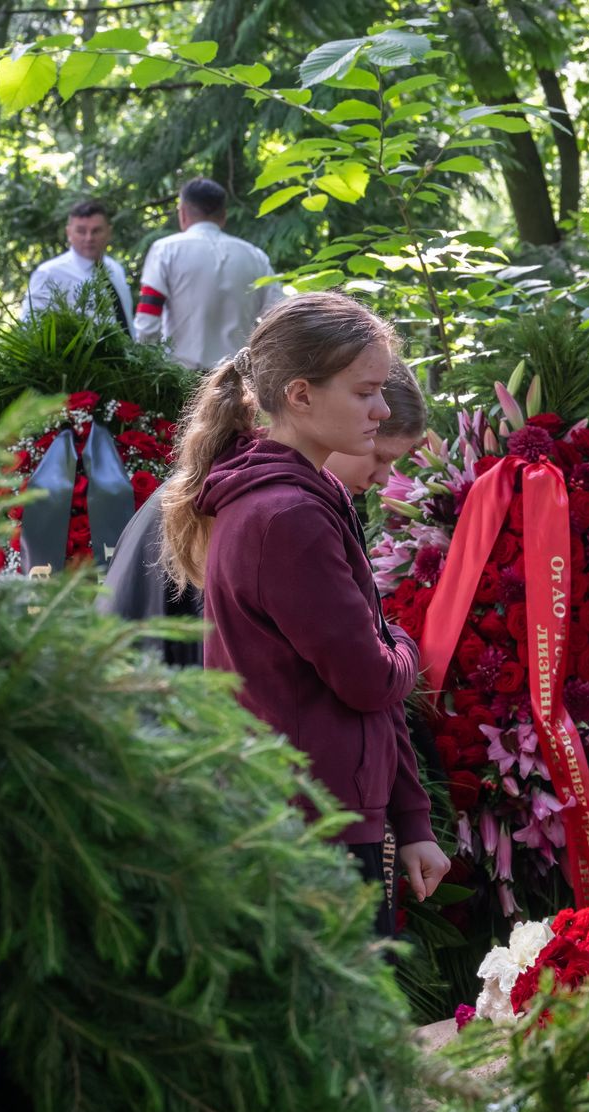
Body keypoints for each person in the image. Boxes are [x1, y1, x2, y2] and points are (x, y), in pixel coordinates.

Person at [159, 293, 448, 932]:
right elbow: (370, 677)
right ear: (301, 394)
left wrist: (410, 819)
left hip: (323, 820)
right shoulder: (287, 517)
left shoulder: (304, 499)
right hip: (310, 834)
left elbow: (365, 690)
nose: (380, 409)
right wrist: (401, 642)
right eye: (365, 391)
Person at [102, 357, 428, 667]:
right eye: (380, 456)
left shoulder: (238, 480)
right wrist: (399, 642)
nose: (383, 478)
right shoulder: (271, 510)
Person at [134, 178, 285, 371]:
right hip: (237, 380)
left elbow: (147, 322)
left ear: (182, 213)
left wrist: (148, 369)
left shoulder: (165, 251)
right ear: (223, 215)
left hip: (179, 378)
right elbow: (280, 319)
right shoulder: (255, 256)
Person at [23, 199, 134, 332]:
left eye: (96, 231)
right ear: (69, 233)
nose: (89, 238)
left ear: (109, 232)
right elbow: (29, 329)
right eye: (81, 231)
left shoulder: (116, 269)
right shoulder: (49, 274)